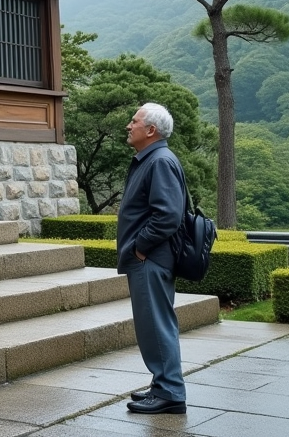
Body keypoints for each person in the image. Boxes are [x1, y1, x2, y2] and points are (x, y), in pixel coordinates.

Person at [117, 102, 188, 415]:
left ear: (151, 130)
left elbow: (168, 215)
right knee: (154, 324)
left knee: (156, 325)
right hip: (150, 258)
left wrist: (140, 247)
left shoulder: (159, 161)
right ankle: (162, 385)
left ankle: (170, 392)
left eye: (134, 121)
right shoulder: (152, 159)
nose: (128, 126)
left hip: (151, 258)